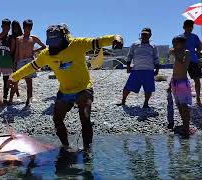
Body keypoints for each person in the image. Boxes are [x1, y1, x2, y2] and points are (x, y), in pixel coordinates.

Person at [9, 24, 123, 152]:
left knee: (85, 117)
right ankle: (66, 147)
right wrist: (14, 77)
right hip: (65, 91)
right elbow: (32, 66)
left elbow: (100, 41)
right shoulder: (46, 54)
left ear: (63, 39)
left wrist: (116, 38)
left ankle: (87, 150)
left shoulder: (77, 44)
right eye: (51, 44)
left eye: (56, 43)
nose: (53, 47)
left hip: (83, 88)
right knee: (57, 119)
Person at [117, 28, 159, 108]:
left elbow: (156, 58)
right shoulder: (134, 45)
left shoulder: (153, 46)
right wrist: (128, 67)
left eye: (146, 34)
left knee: (148, 89)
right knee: (128, 87)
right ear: (140, 35)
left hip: (149, 70)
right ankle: (123, 101)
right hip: (136, 70)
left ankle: (146, 103)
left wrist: (157, 69)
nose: (144, 36)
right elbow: (129, 56)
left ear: (150, 35)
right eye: (143, 34)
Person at [9, 19, 46, 106]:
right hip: (20, 61)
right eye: (25, 27)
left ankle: (28, 100)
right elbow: (17, 52)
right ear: (23, 27)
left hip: (29, 62)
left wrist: (34, 50)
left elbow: (44, 46)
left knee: (29, 82)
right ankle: (10, 100)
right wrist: (14, 64)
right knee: (15, 81)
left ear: (31, 28)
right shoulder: (18, 39)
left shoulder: (33, 38)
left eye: (29, 27)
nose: (27, 29)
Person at [169, 35, 192, 138]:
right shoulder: (176, 53)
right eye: (173, 43)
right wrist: (170, 84)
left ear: (182, 43)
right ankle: (184, 125)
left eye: (175, 43)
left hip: (183, 83)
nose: (173, 45)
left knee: (184, 106)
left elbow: (182, 64)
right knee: (178, 105)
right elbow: (175, 70)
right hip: (175, 82)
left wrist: (174, 54)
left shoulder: (186, 52)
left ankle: (186, 130)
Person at [182, 20, 202, 106]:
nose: (190, 28)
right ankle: (183, 98)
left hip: (193, 60)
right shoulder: (180, 37)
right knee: (182, 80)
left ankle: (198, 97)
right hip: (182, 61)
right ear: (184, 27)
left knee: (197, 79)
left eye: (191, 27)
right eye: (188, 26)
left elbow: (199, 46)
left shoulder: (195, 37)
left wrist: (198, 51)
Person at [9, 20, 23, 100]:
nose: (15, 28)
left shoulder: (13, 37)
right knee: (16, 78)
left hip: (15, 58)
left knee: (15, 78)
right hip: (19, 58)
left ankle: (14, 97)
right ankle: (16, 95)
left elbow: (12, 49)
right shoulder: (22, 36)